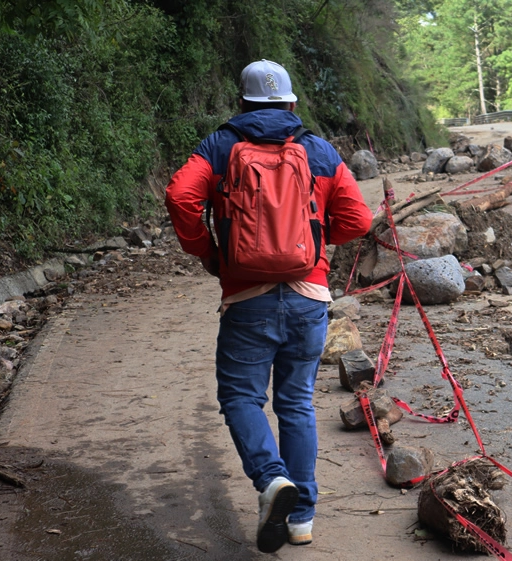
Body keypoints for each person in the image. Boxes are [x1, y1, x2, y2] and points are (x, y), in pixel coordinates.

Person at [164, 59, 373, 553]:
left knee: (241, 399)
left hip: (247, 297)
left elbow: (179, 196)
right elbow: (358, 219)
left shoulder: (220, 145)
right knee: (296, 403)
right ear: (292, 103)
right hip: (309, 296)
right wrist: (318, 247)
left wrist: (210, 253)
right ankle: (301, 519)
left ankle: (270, 478)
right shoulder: (317, 149)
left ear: (242, 103)